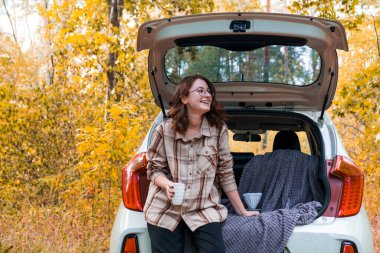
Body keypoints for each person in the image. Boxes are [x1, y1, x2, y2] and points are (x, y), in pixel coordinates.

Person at [143, 75, 258, 253]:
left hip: (203, 208)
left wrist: (242, 211)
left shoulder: (218, 130)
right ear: (184, 98)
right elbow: (153, 169)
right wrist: (167, 185)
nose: (207, 95)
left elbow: (226, 173)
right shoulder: (164, 131)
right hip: (164, 208)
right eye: (200, 90)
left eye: (209, 91)